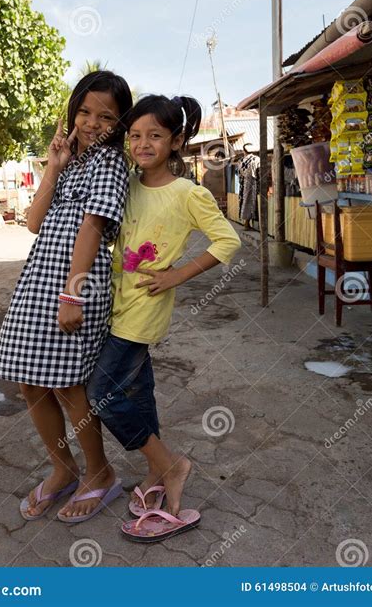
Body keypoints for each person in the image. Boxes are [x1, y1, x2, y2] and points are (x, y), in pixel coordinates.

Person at [58, 94, 241, 540]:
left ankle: (170, 465)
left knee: (102, 393)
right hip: (113, 306)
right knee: (138, 391)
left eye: (155, 136)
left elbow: (227, 241)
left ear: (175, 141)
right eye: (135, 135)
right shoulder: (126, 184)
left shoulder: (188, 193)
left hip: (142, 312)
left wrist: (177, 274)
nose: (143, 144)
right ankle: (158, 477)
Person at [0, 70, 132, 521]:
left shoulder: (110, 164)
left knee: (69, 385)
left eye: (105, 117)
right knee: (31, 379)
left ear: (119, 123)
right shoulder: (70, 162)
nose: (92, 123)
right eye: (84, 111)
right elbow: (32, 222)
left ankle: (100, 473)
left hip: (75, 285)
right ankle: (63, 468)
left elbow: (92, 227)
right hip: (38, 282)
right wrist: (53, 164)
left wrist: (73, 295)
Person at [237, 143, 260, 229]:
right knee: (250, 202)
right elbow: (260, 171)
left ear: (244, 151)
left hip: (242, 183)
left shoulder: (240, 161)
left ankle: (246, 223)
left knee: (244, 201)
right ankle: (247, 223)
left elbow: (239, 173)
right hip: (252, 183)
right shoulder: (256, 159)